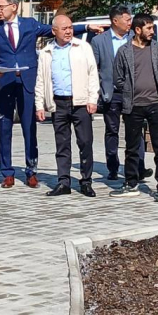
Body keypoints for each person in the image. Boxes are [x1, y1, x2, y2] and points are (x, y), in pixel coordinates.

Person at [0, 0, 101, 188]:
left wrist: (87, 26)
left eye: (1, 6)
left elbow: (55, 29)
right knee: (4, 128)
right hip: (4, 82)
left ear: (13, 7)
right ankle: (7, 173)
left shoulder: (29, 24)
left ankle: (31, 171)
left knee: (29, 128)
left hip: (27, 82)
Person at [110, 14, 158, 201]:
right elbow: (118, 78)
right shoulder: (124, 51)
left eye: (153, 28)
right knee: (131, 147)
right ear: (137, 30)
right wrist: (130, 91)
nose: (152, 31)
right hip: (133, 106)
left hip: (156, 104)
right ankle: (131, 182)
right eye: (149, 28)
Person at [35, 15, 99, 197]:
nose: (69, 31)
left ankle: (86, 181)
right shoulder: (47, 52)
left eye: (70, 27)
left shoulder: (83, 47)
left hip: (80, 102)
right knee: (62, 144)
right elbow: (41, 80)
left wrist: (92, 99)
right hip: (58, 103)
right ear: (54, 31)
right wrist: (39, 105)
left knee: (85, 142)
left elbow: (93, 74)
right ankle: (63, 182)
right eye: (64, 28)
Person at [91, 4, 152, 182]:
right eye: (127, 20)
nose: (130, 23)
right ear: (115, 21)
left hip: (133, 93)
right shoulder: (99, 41)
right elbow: (93, 68)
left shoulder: (135, 38)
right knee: (112, 131)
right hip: (111, 93)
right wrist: (98, 90)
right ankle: (112, 167)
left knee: (135, 130)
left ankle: (139, 167)